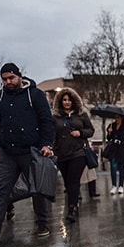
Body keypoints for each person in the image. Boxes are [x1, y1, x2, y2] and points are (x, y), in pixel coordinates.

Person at [0, 63, 55, 247]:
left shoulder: (35, 95)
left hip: (30, 149)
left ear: (19, 76)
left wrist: (47, 144)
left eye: (11, 78)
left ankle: (42, 224)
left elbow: (47, 120)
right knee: (1, 191)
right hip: (7, 152)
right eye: (5, 79)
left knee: (37, 188)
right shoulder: (0, 99)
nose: (8, 82)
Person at [52, 87, 95, 221]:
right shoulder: (55, 118)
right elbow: (52, 135)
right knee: (67, 182)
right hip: (62, 154)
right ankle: (72, 203)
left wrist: (80, 133)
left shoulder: (81, 115)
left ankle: (72, 208)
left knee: (73, 180)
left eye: (69, 100)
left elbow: (91, 130)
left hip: (78, 152)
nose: (67, 102)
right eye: (64, 100)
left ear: (73, 101)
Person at [106, 114, 124, 194]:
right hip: (114, 149)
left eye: (118, 118)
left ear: (121, 118)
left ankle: (121, 186)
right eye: (115, 117)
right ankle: (114, 185)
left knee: (121, 168)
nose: (116, 119)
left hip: (122, 149)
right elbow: (109, 138)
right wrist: (109, 133)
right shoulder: (112, 125)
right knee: (113, 166)